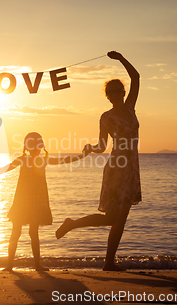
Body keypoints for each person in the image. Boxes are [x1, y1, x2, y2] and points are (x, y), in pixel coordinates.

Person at [55, 51, 141, 271]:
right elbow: (102, 146)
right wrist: (88, 150)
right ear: (107, 96)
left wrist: (121, 58)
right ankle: (72, 224)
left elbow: (136, 77)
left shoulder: (131, 108)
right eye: (109, 93)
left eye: (117, 91)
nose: (114, 94)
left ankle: (109, 262)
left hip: (131, 169)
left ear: (123, 92)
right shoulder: (106, 117)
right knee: (112, 218)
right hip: (117, 168)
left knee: (120, 219)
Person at [0, 132, 90, 271]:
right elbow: (7, 168)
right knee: (25, 232)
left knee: (23, 232)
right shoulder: (32, 160)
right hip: (26, 200)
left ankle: (20, 265)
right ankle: (21, 265)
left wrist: (82, 155)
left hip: (29, 200)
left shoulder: (34, 160)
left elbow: (65, 159)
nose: (36, 148)